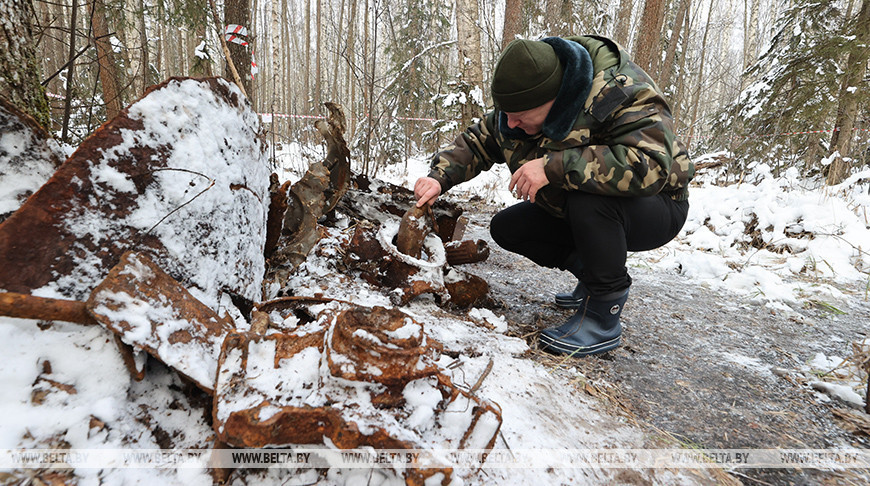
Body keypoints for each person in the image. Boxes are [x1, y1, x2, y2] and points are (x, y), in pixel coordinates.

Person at [413, 35, 694, 357]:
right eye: (507, 113)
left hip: (657, 208)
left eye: (521, 116)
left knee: (589, 196)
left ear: (558, 98)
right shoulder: (518, 108)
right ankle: (590, 277)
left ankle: (603, 315)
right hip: (579, 206)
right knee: (508, 227)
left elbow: (651, 166)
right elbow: (479, 141)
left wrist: (554, 166)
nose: (511, 123)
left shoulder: (616, 93)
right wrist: (438, 178)